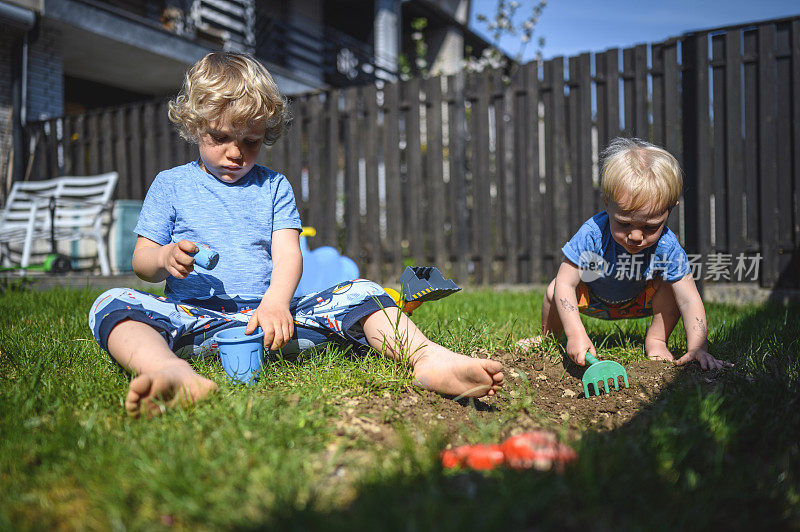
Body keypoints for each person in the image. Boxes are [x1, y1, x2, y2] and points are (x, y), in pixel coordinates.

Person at [89, 52, 503, 417]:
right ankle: (168, 370)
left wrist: (275, 303)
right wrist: (163, 259)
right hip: (193, 320)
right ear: (195, 126)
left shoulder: (272, 186)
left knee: (364, 291)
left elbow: (288, 255)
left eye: (250, 142)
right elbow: (141, 261)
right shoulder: (171, 184)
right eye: (220, 137)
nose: (236, 152)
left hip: (272, 323)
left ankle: (427, 359)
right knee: (111, 302)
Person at [517, 138, 731, 371]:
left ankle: (657, 341)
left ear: (669, 210)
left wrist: (698, 347)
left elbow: (689, 299)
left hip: (639, 301)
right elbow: (566, 284)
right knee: (554, 288)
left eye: (650, 227)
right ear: (607, 204)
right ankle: (550, 338)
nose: (636, 236)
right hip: (594, 299)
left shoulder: (668, 246)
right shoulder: (592, 234)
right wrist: (576, 333)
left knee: (673, 287)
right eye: (624, 223)